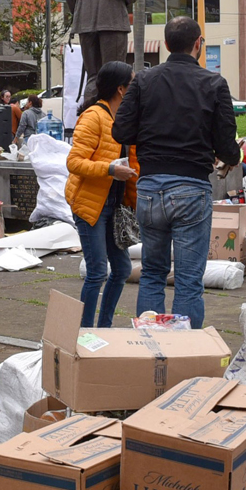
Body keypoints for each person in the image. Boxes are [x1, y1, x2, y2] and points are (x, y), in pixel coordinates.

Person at [111, 16, 239, 328]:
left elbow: (120, 131)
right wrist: (228, 154)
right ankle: (184, 353)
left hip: (151, 189)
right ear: (198, 45)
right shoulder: (214, 84)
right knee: (187, 280)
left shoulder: (143, 80)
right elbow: (227, 149)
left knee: (152, 275)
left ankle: (150, 344)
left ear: (166, 45)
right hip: (191, 190)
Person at [66, 62, 138, 327]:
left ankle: (104, 328)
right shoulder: (94, 116)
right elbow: (74, 162)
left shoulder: (125, 118)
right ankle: (84, 333)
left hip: (115, 206)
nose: (136, 88)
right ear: (121, 89)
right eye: (132, 83)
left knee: (121, 270)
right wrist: (109, 169)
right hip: (90, 206)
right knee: (97, 272)